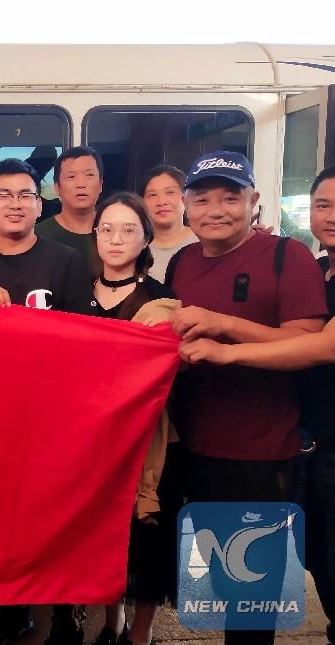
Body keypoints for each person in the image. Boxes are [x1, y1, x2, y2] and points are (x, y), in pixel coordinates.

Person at [167, 151, 327, 645]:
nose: (216, 210)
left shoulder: (287, 255)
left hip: (260, 450)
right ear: (185, 205)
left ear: (253, 201)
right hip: (192, 446)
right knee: (215, 583)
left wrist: (225, 333)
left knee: (253, 593)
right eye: (202, 199)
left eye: (230, 198)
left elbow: (308, 345)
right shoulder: (182, 261)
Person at [0, 158, 93, 645]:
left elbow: (86, 341)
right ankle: (13, 611)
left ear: (39, 205)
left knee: (60, 515)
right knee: (1, 517)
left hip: (52, 414)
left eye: (25, 194)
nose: (14, 204)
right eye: (2, 195)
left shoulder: (67, 261)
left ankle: (67, 619)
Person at [86, 193, 181, 645]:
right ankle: (113, 623)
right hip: (90, 439)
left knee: (147, 542)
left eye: (128, 230)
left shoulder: (163, 300)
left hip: (146, 438)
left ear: (146, 239)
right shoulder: (77, 294)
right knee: (103, 536)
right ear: (95, 235)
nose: (116, 239)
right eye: (106, 229)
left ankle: (140, 633)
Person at [33, 146, 104, 265]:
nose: (81, 184)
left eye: (89, 175)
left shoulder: (115, 234)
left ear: (101, 183)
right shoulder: (37, 237)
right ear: (57, 187)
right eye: (71, 177)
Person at [141, 165, 197, 281]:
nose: (161, 202)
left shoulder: (203, 240)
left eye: (170, 192)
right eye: (152, 195)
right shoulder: (136, 248)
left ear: (186, 198)